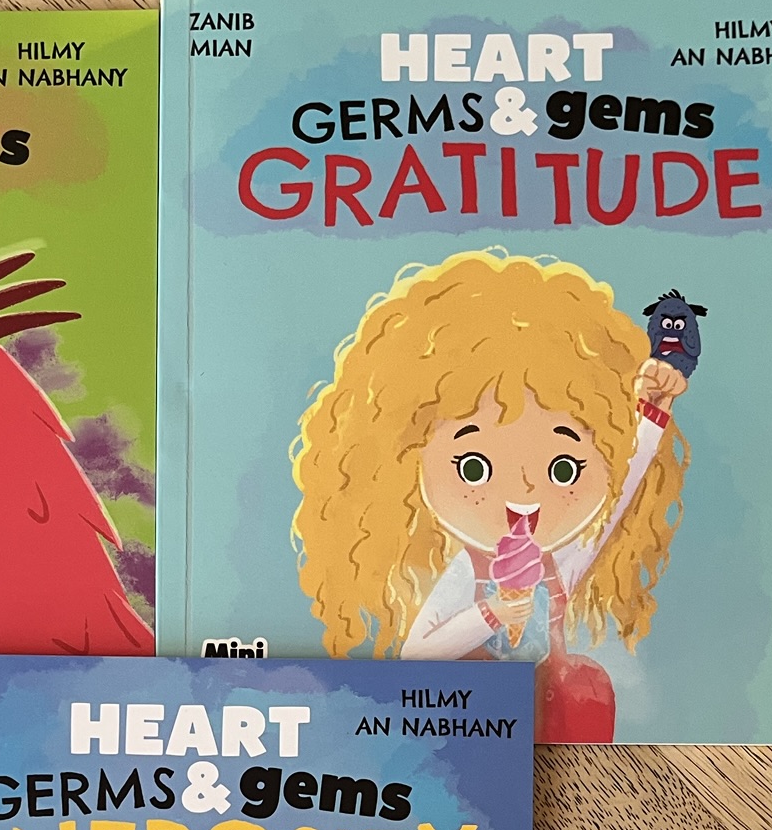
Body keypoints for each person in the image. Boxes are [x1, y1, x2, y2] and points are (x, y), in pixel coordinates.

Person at [291, 251, 690, 742]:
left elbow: (620, 494)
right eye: (474, 468)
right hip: (473, 726)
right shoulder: (468, 572)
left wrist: (652, 412)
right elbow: (416, 654)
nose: (524, 493)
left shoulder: (562, 564)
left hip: (543, 727)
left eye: (562, 469)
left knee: (586, 687)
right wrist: (492, 614)